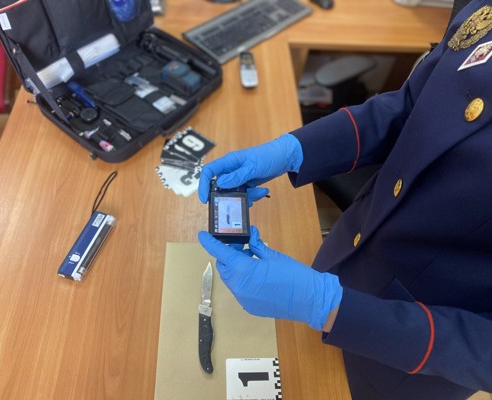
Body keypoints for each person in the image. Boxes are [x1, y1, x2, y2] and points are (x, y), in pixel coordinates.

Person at [197, 0, 492, 399]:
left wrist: (331, 307)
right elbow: (412, 105)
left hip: (408, 354)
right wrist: (296, 149)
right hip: (347, 254)